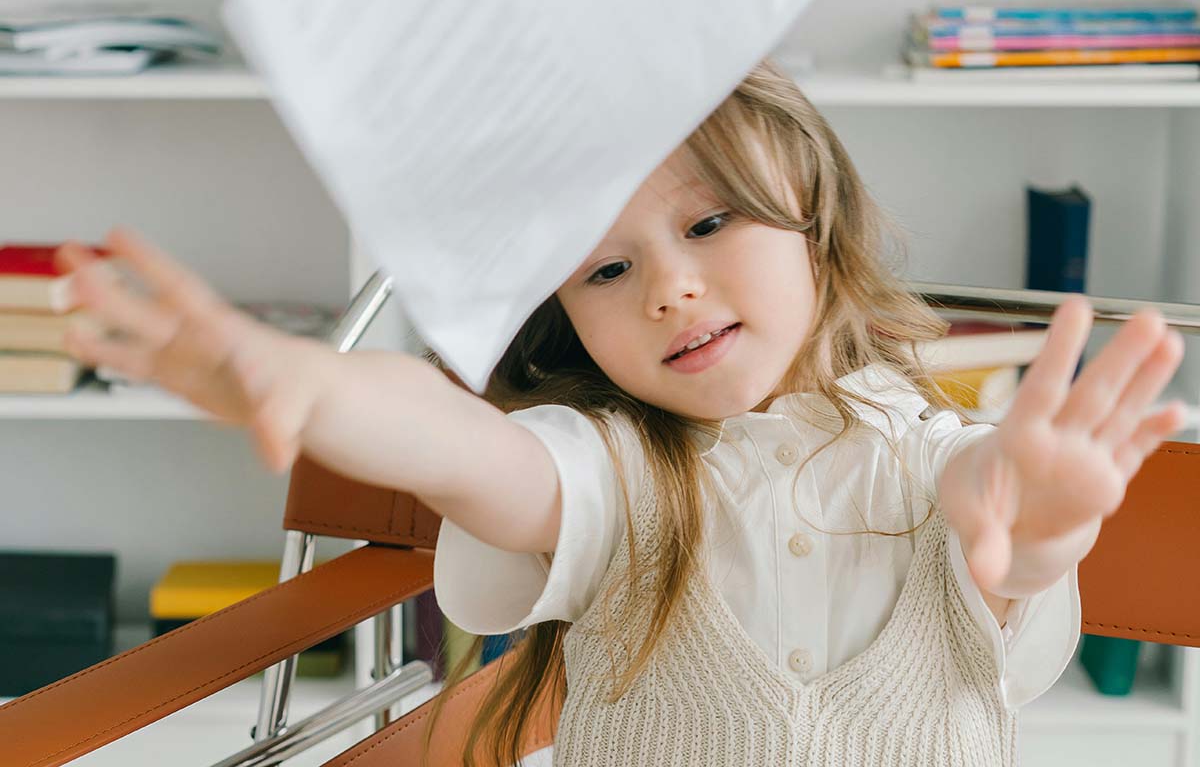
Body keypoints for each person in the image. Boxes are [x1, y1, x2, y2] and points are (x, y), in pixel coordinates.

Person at [55, 60, 1185, 766]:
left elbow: (1001, 518)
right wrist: (306, 382)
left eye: (708, 226)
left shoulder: (935, 456)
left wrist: (1043, 528)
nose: (667, 288)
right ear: (567, 321)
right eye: (602, 271)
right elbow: (463, 449)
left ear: (817, 228)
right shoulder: (605, 469)